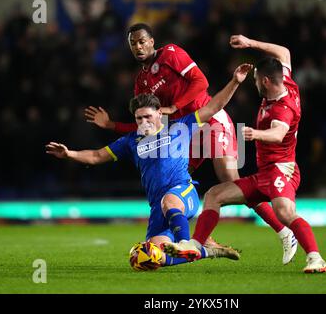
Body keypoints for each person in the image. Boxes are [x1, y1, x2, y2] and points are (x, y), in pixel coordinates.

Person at [84, 23, 297, 264]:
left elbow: (200, 82)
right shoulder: (141, 81)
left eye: (142, 41)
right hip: (185, 132)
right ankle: (197, 241)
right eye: (133, 43)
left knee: (232, 182)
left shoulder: (171, 54)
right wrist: (112, 125)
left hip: (209, 121)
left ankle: (284, 231)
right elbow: (146, 124)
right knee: (176, 182)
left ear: (152, 41)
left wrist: (175, 107)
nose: (138, 46)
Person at [46, 63, 253, 268]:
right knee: (150, 257)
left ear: (159, 113)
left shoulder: (181, 127)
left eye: (148, 116)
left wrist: (235, 81)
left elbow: (214, 107)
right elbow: (96, 156)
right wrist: (68, 154)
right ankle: (205, 251)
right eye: (139, 118)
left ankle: (185, 242)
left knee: (169, 201)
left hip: (182, 193)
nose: (144, 121)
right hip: (157, 206)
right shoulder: (130, 141)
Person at [163, 35, 326, 274]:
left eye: (256, 81)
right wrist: (250, 43)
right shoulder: (288, 84)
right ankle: (194, 245)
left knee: (285, 212)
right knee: (214, 195)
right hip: (264, 174)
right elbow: (283, 51)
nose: (255, 85)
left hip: (281, 171)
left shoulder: (283, 108)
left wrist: (255, 134)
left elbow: (279, 134)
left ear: (266, 81)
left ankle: (315, 257)